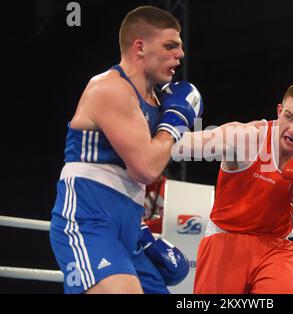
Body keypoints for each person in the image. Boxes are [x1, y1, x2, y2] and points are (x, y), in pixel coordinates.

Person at [49, 5, 202, 294]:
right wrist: (175, 122)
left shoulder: (158, 102)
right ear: (140, 47)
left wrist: (257, 133)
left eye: (180, 47)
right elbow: (145, 168)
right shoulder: (110, 88)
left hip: (130, 223)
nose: (179, 55)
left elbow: (183, 146)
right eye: (170, 46)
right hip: (88, 217)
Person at [174, 82, 293, 294]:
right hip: (225, 242)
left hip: (276, 249)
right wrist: (164, 121)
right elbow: (179, 145)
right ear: (279, 111)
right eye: (289, 117)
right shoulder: (247, 137)